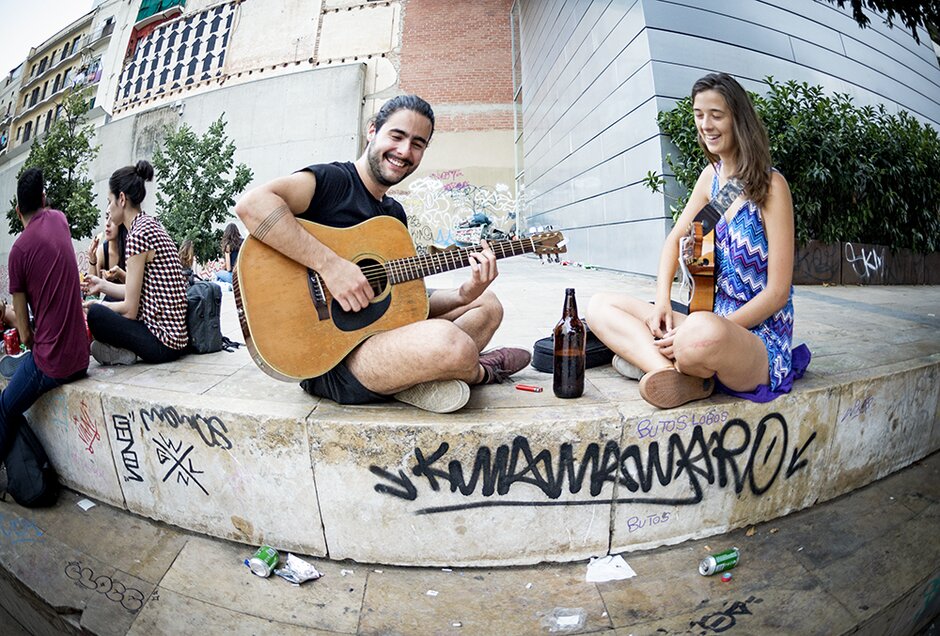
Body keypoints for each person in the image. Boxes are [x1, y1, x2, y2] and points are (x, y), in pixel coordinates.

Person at [235, 94, 530, 413]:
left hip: (381, 338)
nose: (405, 151)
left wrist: (462, 294)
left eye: (418, 143)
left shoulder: (393, 216)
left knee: (488, 304)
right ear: (372, 131)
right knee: (451, 343)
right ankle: (480, 372)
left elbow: (403, 302)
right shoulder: (335, 181)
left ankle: (412, 380)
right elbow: (252, 205)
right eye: (397, 136)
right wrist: (331, 266)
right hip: (334, 361)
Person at [587, 72, 807, 409]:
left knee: (702, 331)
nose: (705, 124)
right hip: (706, 323)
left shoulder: (772, 187)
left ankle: (663, 358)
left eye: (716, 115)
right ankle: (671, 374)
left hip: (756, 339)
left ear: (739, 120)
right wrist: (661, 302)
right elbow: (676, 239)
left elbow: (777, 293)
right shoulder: (713, 179)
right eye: (698, 114)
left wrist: (705, 327)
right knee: (600, 305)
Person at [0, 168, 89, 461]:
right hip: (81, 356)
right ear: (43, 198)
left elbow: (25, 334)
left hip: (54, 364)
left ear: (17, 211)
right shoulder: (60, 220)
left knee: (5, 404)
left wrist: (35, 340)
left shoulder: (18, 252)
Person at [83, 160, 188, 365]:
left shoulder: (137, 236)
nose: (108, 208)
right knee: (107, 304)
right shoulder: (149, 224)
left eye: (109, 200)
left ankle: (127, 353)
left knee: (96, 314)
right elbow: (133, 292)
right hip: (175, 337)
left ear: (121, 199)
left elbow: (130, 309)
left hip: (163, 343)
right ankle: (123, 352)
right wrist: (102, 285)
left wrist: (96, 305)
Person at [87, 217, 127, 298]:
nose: (107, 224)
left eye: (112, 219)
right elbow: (93, 294)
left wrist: (121, 275)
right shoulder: (102, 251)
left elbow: (137, 288)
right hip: (110, 303)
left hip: (131, 304)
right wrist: (92, 260)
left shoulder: (132, 249)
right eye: (106, 217)